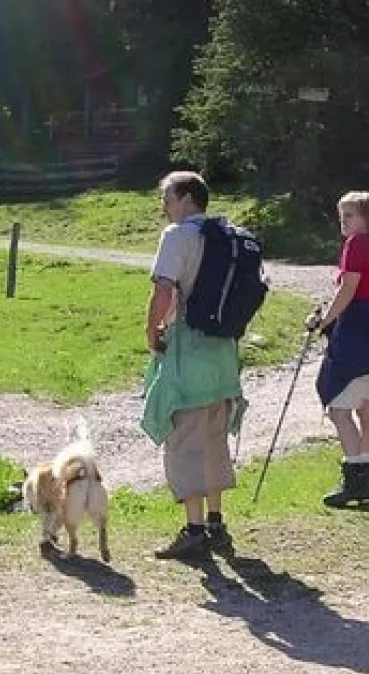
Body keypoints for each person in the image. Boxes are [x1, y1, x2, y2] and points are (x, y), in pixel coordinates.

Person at [140, 170, 249, 561]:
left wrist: (152, 331)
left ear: (187, 197)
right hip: (223, 354)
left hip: (190, 348)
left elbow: (164, 289)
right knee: (213, 437)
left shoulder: (178, 236)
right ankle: (217, 524)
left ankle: (193, 530)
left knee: (184, 441)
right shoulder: (229, 236)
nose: (164, 207)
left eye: (167, 198)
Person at [309, 190, 369, 507]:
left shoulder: (356, 244)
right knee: (368, 408)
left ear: (367, 217)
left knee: (338, 408)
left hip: (355, 334)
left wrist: (324, 321)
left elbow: (348, 288)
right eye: (342, 214)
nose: (344, 220)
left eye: (350, 215)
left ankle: (354, 478)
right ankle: (364, 477)